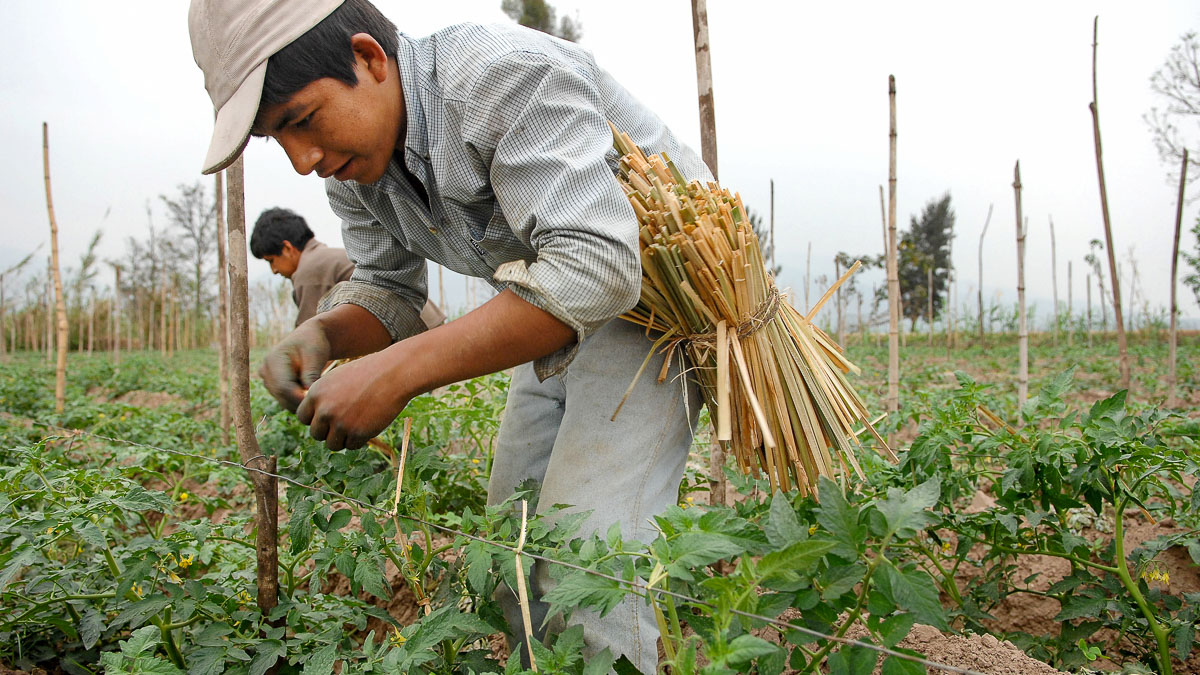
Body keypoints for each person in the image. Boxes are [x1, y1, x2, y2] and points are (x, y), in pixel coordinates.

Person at [189, 0, 710, 669]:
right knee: (510, 546)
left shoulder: (496, 77)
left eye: (302, 120)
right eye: (277, 139)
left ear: (368, 59)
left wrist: (399, 371)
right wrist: (320, 335)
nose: (303, 160)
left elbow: (600, 265)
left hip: (654, 305)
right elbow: (388, 291)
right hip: (548, 312)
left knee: (589, 564)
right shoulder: (357, 168)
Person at [250, 206, 444, 328]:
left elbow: (310, 338)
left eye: (271, 260)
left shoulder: (308, 272)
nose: (274, 270)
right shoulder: (322, 257)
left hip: (413, 331)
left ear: (287, 248)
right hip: (426, 323)